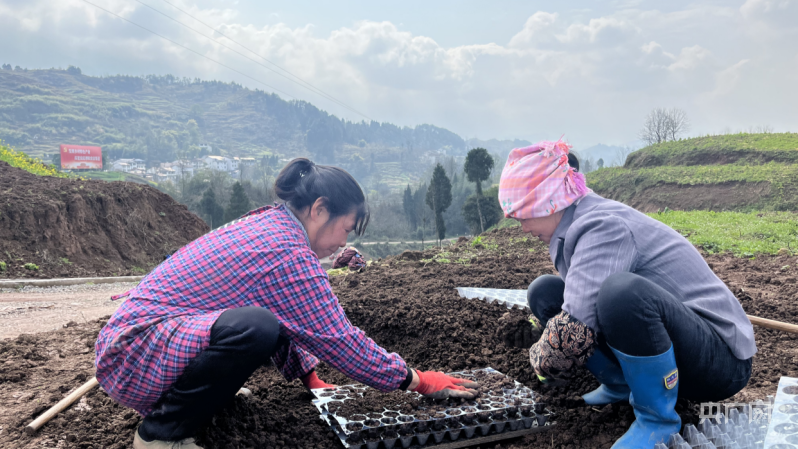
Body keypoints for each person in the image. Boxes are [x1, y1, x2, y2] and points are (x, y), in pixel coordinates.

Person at [95, 158, 479, 449]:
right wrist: (418, 380)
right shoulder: (287, 253)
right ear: (319, 210)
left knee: (261, 321)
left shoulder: (272, 225)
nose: (343, 244)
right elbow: (339, 340)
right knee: (255, 327)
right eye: (345, 229)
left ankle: (208, 397)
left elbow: (290, 314)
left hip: (143, 344)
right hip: (135, 356)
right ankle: (160, 436)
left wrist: (309, 377)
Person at [497, 141, 755, 449]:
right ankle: (620, 384)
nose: (523, 227)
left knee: (621, 294)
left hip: (718, 362)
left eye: (524, 215)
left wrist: (539, 358)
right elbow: (577, 307)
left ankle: (656, 419)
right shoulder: (575, 223)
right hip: (674, 342)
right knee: (545, 291)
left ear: (549, 201)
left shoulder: (601, 226)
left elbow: (571, 334)